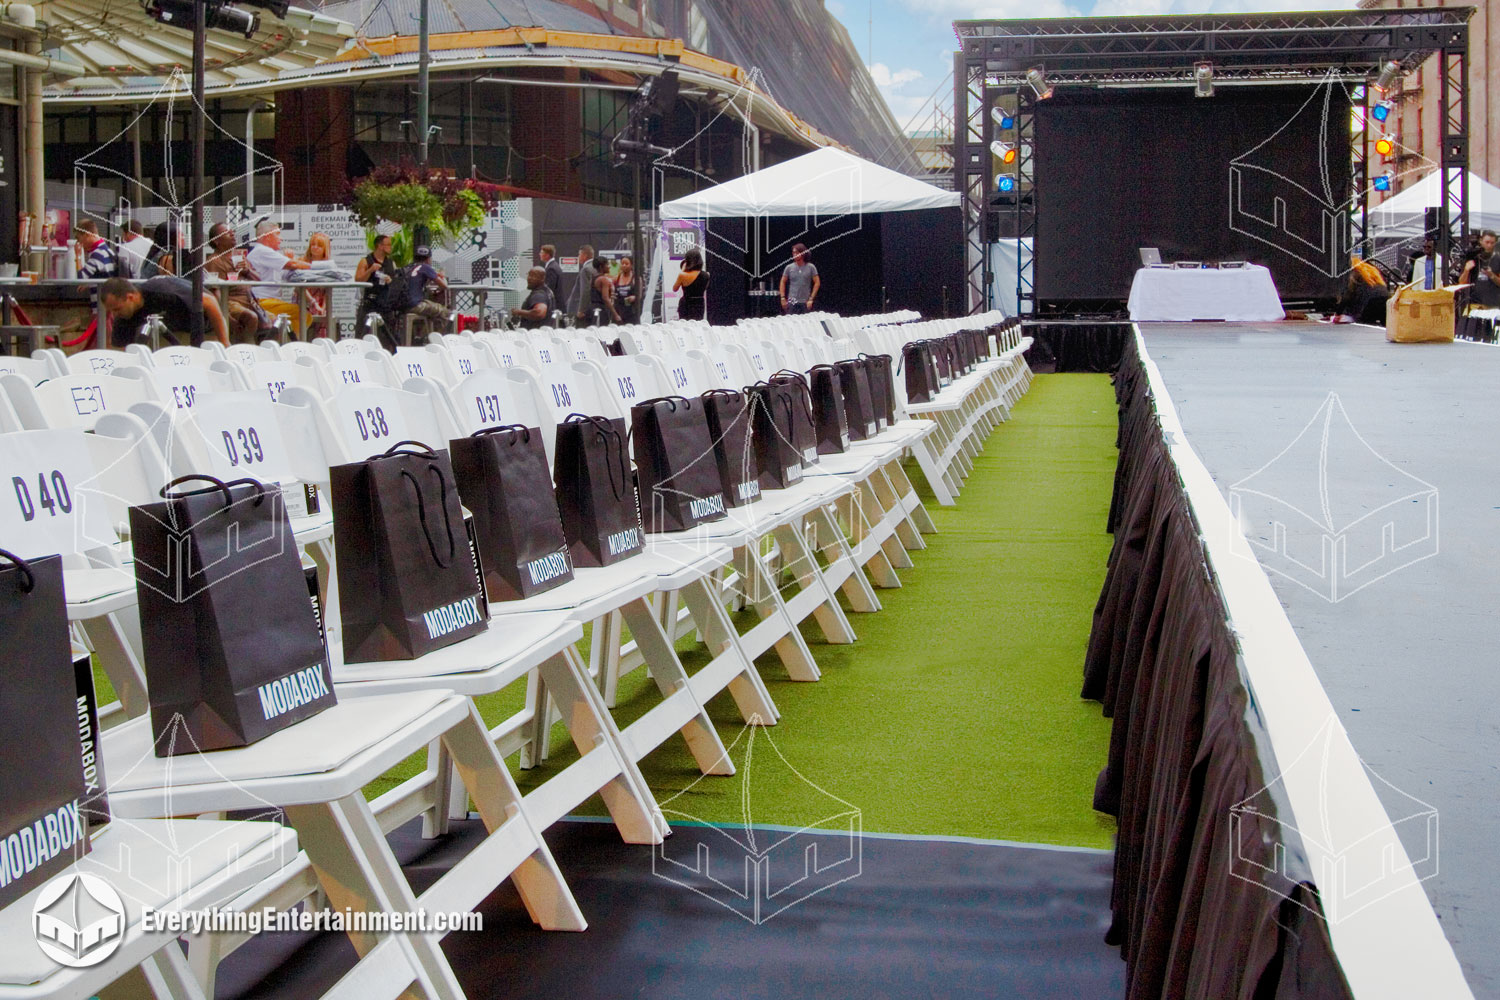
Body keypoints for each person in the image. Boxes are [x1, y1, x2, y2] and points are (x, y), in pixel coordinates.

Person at [101, 274, 228, 347]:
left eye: (117, 309)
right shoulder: (123, 318)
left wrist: (225, 343)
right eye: (111, 311)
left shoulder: (162, 291)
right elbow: (122, 350)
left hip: (205, 326)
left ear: (130, 297)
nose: (115, 314)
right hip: (171, 332)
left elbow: (210, 301)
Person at [246, 219, 311, 333]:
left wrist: (291, 261)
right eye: (278, 234)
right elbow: (293, 264)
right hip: (262, 301)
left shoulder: (270, 253)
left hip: (270, 300)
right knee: (302, 313)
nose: (281, 239)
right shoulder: (262, 251)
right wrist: (319, 267)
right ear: (268, 236)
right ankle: (290, 344)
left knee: (303, 314)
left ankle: (286, 342)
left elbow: (288, 274)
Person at [205, 222, 264, 343]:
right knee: (250, 317)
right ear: (217, 241)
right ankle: (243, 351)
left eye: (233, 232)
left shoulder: (239, 257)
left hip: (250, 302)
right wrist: (225, 315)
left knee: (275, 323)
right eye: (227, 233)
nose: (232, 235)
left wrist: (246, 271)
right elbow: (215, 292)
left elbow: (259, 281)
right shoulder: (214, 261)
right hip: (231, 302)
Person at [355, 233, 399, 350]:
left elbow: (396, 282)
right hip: (369, 302)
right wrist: (370, 270)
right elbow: (358, 280)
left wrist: (391, 280)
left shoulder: (390, 263)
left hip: (385, 303)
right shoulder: (366, 261)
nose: (390, 247)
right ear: (380, 246)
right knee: (363, 333)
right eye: (388, 244)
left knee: (386, 335)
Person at [398, 245, 450, 335]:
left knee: (430, 311)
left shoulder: (408, 267)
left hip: (402, 305)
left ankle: (422, 337)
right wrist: (441, 275)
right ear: (428, 259)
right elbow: (444, 286)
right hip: (415, 305)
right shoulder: (426, 267)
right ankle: (438, 339)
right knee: (446, 313)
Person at [1334, 254, 1390, 324]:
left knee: (1364, 326)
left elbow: (1346, 296)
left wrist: (1337, 314)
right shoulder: (1369, 270)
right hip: (1386, 299)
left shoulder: (1352, 273)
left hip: (1371, 304)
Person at [301, 232, 337, 337]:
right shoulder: (302, 261)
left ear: (325, 249)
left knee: (322, 331)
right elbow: (298, 287)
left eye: (319, 245)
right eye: (313, 244)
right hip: (305, 300)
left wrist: (323, 306)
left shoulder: (329, 264)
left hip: (321, 302)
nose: (315, 247)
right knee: (303, 331)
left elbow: (328, 290)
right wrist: (313, 303)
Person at [779, 243, 820, 314]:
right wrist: (782, 298)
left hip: (805, 301)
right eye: (793, 252)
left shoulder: (811, 267)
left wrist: (811, 298)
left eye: (797, 252)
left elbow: (817, 282)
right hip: (792, 301)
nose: (795, 254)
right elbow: (782, 281)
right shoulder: (789, 267)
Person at [674, 248, 709, 321]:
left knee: (685, 327)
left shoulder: (682, 275)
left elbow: (675, 289)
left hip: (686, 305)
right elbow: (704, 288)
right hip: (699, 305)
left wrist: (683, 270)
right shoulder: (706, 275)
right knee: (697, 327)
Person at [587, 257, 621, 327]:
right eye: (607, 264)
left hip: (592, 309)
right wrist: (615, 314)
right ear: (601, 267)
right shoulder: (604, 280)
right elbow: (605, 298)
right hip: (601, 311)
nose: (609, 267)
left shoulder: (593, 278)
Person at [571, 244, 598, 325]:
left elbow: (585, 290)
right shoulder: (596, 267)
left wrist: (581, 310)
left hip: (585, 309)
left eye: (579, 254)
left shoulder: (585, 269)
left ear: (585, 256)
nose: (578, 256)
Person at [613, 255, 640, 324]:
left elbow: (640, 295)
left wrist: (634, 297)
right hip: (619, 309)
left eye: (626, 264)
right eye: (622, 263)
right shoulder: (616, 278)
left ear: (631, 265)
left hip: (631, 311)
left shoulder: (636, 279)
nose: (624, 265)